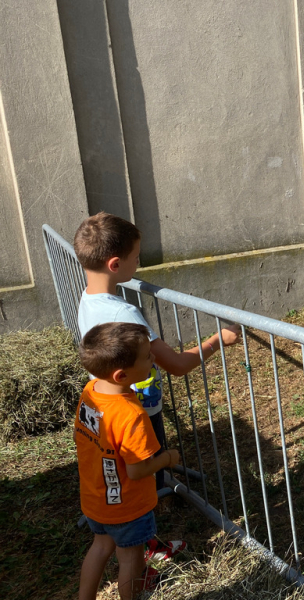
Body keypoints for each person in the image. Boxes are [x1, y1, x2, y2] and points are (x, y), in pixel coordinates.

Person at [73, 212, 240, 560]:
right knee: (141, 478)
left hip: (105, 406)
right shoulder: (126, 315)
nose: (139, 264)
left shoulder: (87, 299)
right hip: (138, 410)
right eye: (136, 258)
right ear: (116, 263)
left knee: (116, 474)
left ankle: (125, 534)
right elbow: (177, 365)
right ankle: (143, 546)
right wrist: (217, 341)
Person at [75, 322, 181, 599]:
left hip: (96, 498)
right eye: (147, 357)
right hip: (127, 506)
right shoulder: (131, 415)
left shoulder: (91, 391)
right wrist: (166, 458)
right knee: (131, 558)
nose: (153, 359)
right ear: (122, 375)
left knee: (100, 547)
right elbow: (136, 470)